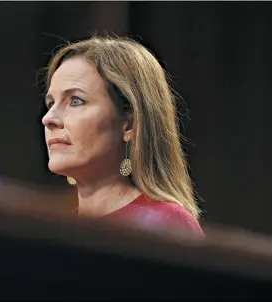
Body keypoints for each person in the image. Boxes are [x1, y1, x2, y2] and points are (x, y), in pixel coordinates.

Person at [41, 36, 204, 236]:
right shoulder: (54, 231)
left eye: (75, 101)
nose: (48, 119)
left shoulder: (168, 225)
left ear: (129, 124)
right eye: (51, 104)